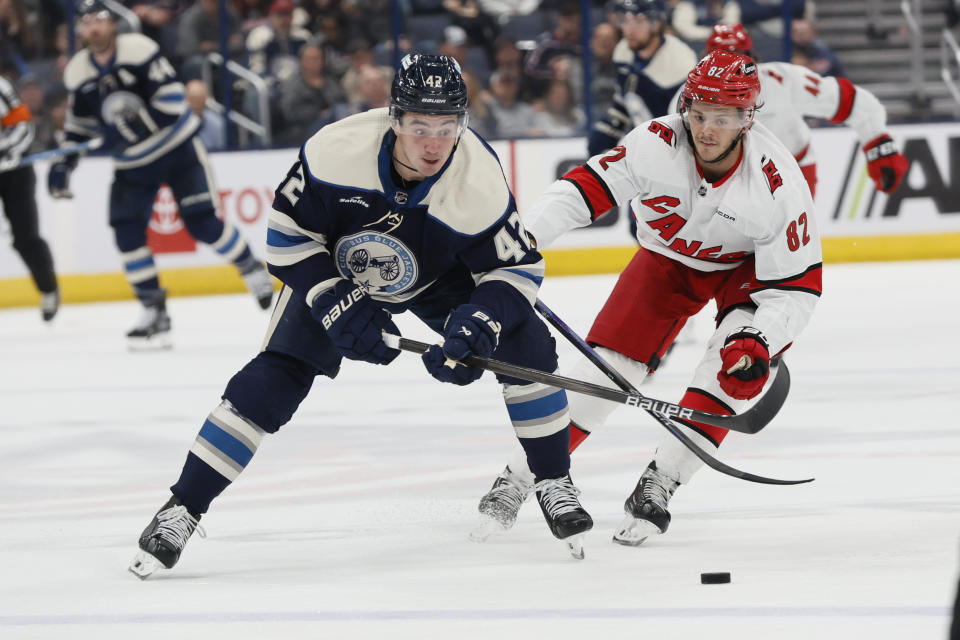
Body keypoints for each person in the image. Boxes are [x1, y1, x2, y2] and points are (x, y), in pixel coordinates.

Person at [127, 54, 593, 579]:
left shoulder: (478, 177)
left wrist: (480, 322)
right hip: (338, 269)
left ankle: (553, 478)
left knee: (526, 345)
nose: (434, 143)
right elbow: (284, 241)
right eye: (420, 126)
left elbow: (518, 272)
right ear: (394, 118)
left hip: (439, 277)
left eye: (447, 127)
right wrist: (330, 296)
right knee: (274, 378)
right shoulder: (334, 150)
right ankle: (181, 508)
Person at [474, 50, 823, 546]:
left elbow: (797, 287)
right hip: (665, 262)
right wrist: (519, 246)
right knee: (604, 373)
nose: (706, 129)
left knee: (732, 371)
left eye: (722, 118)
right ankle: (518, 478)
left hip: (744, 273)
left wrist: (758, 337)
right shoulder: (654, 143)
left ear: (747, 119)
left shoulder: (777, 183)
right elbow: (580, 192)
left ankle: (661, 483)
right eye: (699, 112)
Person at [49, 0, 274, 348]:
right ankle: (154, 310)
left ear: (112, 26)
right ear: (79, 30)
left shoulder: (139, 50)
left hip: (177, 149)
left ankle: (250, 268)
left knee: (201, 221)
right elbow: (80, 126)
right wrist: (65, 163)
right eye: (87, 22)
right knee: (126, 232)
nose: (94, 27)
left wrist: (128, 129)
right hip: (133, 164)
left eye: (100, 20)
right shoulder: (78, 71)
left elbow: (172, 102)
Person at [697, 23, 908, 197]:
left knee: (791, 245)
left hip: (792, 173)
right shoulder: (688, 99)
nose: (728, 67)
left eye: (737, 57)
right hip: (725, 178)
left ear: (752, 57)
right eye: (720, 58)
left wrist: (878, 145)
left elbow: (857, 103)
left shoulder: (784, 82)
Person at [589, 0, 697, 156]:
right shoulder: (623, 50)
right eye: (625, 21)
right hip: (641, 134)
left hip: (674, 142)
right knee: (597, 141)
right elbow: (623, 104)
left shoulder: (681, 60)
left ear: (656, 24)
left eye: (639, 22)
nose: (630, 30)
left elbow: (684, 122)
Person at [0, 73, 60, 322]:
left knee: (25, 237)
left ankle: (48, 288)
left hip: (14, 172)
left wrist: (5, 150)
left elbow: (23, 125)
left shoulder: (1, 87)